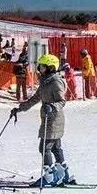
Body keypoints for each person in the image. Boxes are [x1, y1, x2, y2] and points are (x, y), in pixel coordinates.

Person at [12, 53, 74, 186]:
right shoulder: (46, 81)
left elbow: (62, 101)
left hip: (54, 119)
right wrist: (19, 109)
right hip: (47, 118)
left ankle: (49, 177)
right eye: (39, 67)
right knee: (56, 148)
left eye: (42, 67)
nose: (40, 69)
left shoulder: (56, 82)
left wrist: (51, 107)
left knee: (44, 147)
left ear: (51, 67)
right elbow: (35, 98)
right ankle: (64, 175)